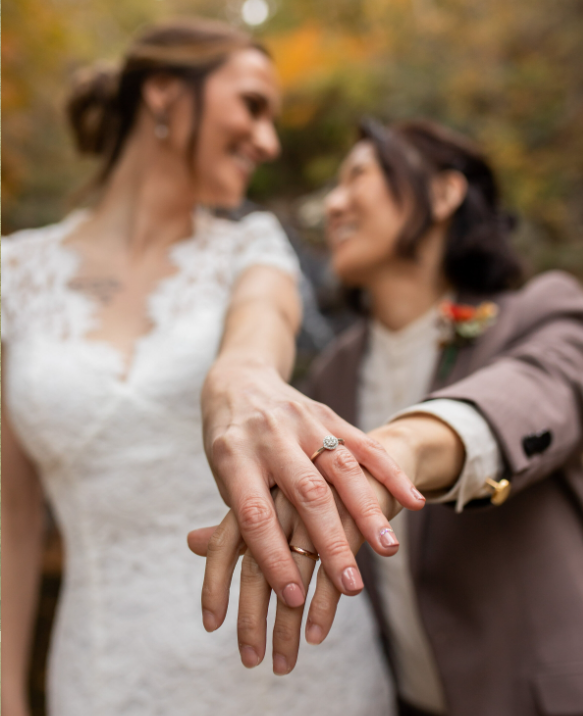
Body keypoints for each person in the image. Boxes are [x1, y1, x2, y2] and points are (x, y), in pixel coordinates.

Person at [1, 19, 423, 716]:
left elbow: (258, 335)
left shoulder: (250, 249)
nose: (268, 141)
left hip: (297, 675)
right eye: (252, 104)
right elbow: (12, 519)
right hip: (110, 673)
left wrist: (243, 382)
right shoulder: (15, 273)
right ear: (164, 93)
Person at [189, 119, 583, 716]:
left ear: (445, 194)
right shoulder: (330, 380)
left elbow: (538, 393)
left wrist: (396, 452)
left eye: (358, 177)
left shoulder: (539, 312)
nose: (334, 205)